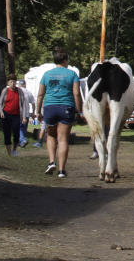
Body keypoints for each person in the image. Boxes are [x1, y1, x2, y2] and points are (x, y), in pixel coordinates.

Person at [36, 48, 82, 178]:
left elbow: (40, 95)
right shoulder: (72, 74)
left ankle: (51, 162)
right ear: (65, 60)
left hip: (50, 107)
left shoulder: (46, 74)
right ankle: (61, 170)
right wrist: (79, 110)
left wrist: (38, 111)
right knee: (63, 139)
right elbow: (77, 93)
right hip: (66, 107)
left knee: (51, 136)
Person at [0, 77, 29, 156]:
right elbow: (0, 104)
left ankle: (14, 149)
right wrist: (1, 112)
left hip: (16, 115)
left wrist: (24, 117)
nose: (13, 84)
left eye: (14, 82)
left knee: (16, 133)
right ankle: (9, 152)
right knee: (7, 133)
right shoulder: (5, 90)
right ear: (8, 83)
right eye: (11, 82)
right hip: (6, 115)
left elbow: (23, 105)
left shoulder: (19, 91)